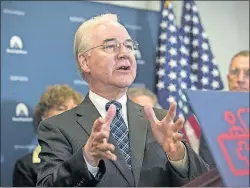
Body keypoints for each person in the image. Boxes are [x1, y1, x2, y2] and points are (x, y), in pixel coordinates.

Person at [36, 13, 209, 187]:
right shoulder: (58, 128)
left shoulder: (159, 120)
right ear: (85, 62)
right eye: (111, 46)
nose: (124, 54)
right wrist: (87, 159)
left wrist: (178, 155)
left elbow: (206, 182)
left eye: (129, 46)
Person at [12, 84, 83, 187]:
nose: (69, 113)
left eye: (74, 108)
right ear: (44, 116)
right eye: (61, 108)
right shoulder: (25, 167)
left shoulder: (89, 159)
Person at [199, 50, 249, 168]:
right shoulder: (212, 121)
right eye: (235, 72)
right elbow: (206, 171)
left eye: (248, 73)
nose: (240, 79)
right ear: (228, 79)